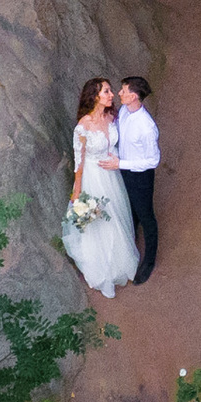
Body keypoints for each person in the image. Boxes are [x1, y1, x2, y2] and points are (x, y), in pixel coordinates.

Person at [62, 78, 139, 300]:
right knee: (98, 222)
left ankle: (122, 263)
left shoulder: (111, 116)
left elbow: (115, 145)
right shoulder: (83, 126)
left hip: (112, 176)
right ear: (95, 96)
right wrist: (77, 192)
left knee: (117, 216)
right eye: (106, 91)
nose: (112, 94)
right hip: (93, 178)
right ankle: (103, 271)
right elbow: (79, 162)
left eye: (110, 91)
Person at [116, 77, 160, 284]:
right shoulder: (124, 111)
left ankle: (149, 262)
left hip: (140, 177)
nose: (119, 93)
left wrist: (120, 164)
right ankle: (129, 245)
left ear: (134, 96)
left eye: (124, 91)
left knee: (146, 216)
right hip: (124, 171)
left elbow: (153, 160)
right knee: (129, 208)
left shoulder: (147, 127)